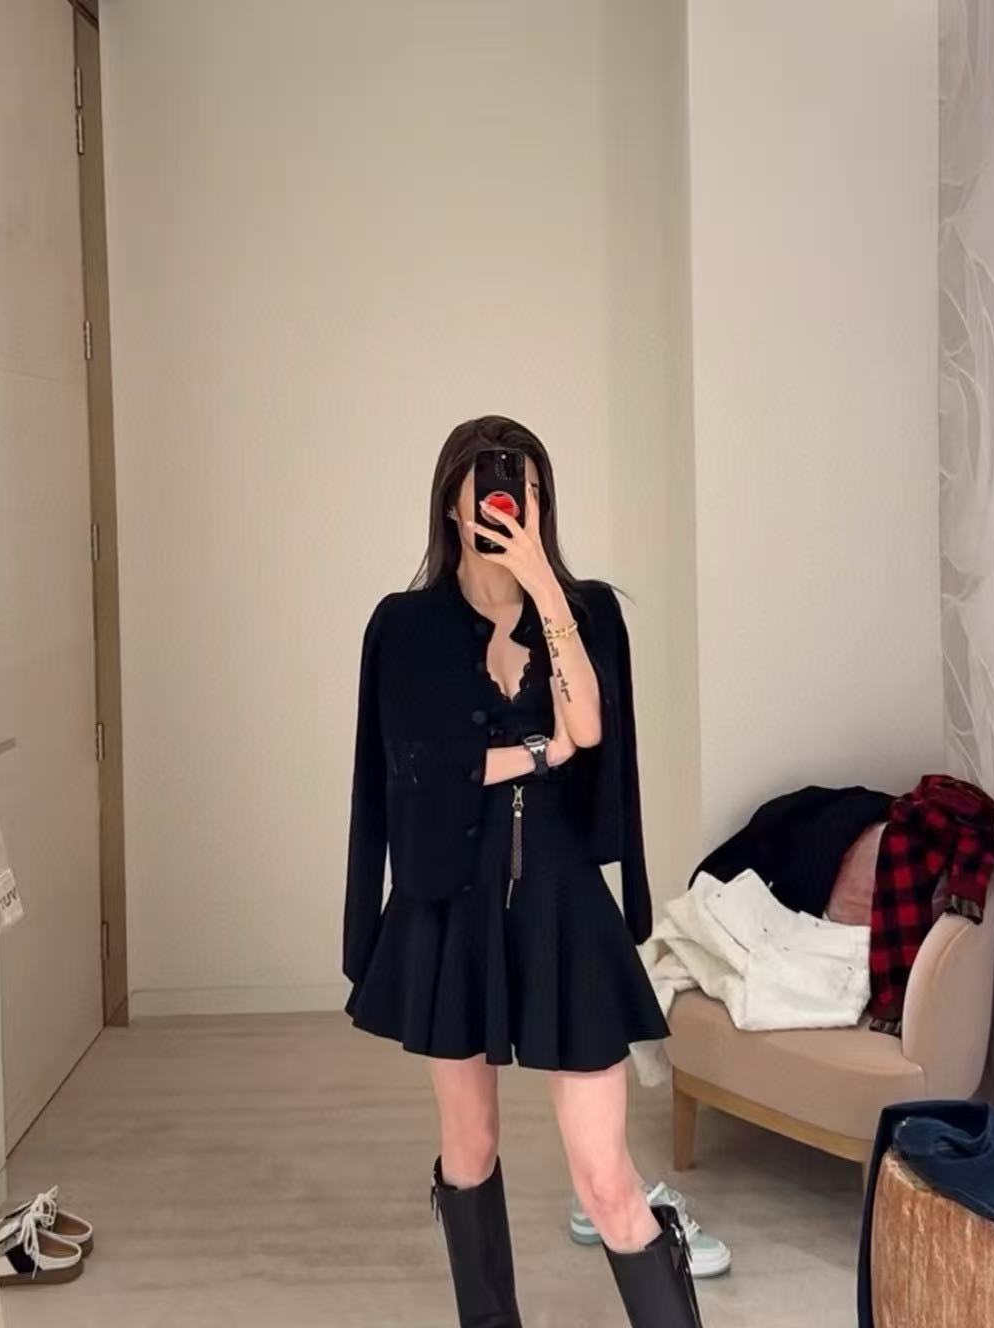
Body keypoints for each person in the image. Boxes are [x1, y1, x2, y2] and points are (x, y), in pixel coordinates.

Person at [342, 415, 703, 1327]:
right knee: (469, 1146)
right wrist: (538, 754)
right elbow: (418, 770)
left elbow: (591, 729)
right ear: (452, 503)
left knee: (606, 1176)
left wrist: (543, 585)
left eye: (527, 486)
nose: (509, 500)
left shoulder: (588, 612)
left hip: (562, 908)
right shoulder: (405, 626)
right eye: (492, 484)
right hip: (449, 908)